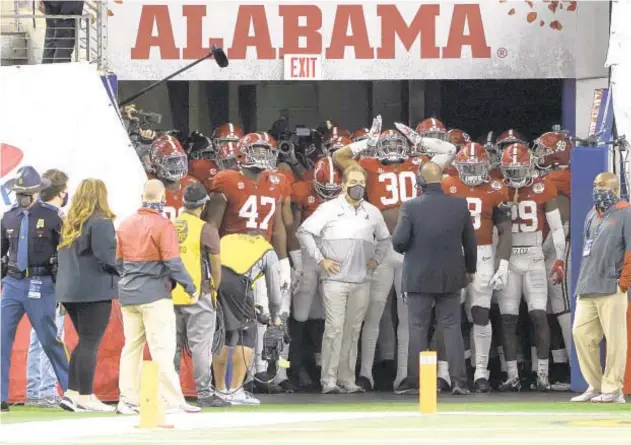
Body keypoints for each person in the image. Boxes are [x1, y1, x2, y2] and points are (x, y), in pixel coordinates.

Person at [297, 165, 391, 394]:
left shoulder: (372, 211)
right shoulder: (328, 209)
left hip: (362, 280)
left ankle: (347, 379)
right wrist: (321, 260)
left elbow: (385, 239)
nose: (357, 186)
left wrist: (377, 260)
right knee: (334, 329)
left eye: (361, 182)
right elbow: (304, 232)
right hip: (335, 280)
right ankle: (328, 380)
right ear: (344, 184)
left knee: (353, 330)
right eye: (353, 182)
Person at [115, 179, 200, 415]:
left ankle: (128, 399)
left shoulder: (125, 223)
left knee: (131, 347)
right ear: (162, 197)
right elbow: (173, 262)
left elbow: (118, 263)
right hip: (154, 295)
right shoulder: (163, 225)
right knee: (162, 348)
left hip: (128, 294)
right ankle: (171, 400)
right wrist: (190, 286)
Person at [391, 161, 476, 395]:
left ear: (421, 180)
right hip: (451, 274)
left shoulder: (410, 206)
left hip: (418, 275)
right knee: (451, 327)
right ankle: (459, 382)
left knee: (417, 327)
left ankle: (415, 381)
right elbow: (470, 242)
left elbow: (398, 241)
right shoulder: (459, 205)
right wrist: (470, 269)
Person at [441, 143, 513, 393]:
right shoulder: (446, 184)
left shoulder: (496, 188)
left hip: (483, 254)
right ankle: (443, 373)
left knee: (480, 313)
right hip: (453, 253)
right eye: (467, 166)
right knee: (448, 314)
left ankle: (481, 372)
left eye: (477, 166)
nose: (472, 172)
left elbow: (505, 231)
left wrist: (502, 264)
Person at [496, 143, 566, 392]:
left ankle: (543, 374)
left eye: (519, 170)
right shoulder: (498, 187)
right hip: (509, 258)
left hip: (535, 256)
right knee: (507, 318)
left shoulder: (542, 186)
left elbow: (556, 228)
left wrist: (560, 259)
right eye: (510, 170)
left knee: (538, 315)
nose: (514, 176)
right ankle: (512, 374)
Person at [1, 166, 69, 412]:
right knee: (1, 339)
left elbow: (65, 253)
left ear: (37, 192)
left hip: (41, 283)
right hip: (12, 283)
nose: (21, 197)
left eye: (25, 193)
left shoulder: (53, 216)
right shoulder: (8, 217)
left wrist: (63, 289)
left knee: (49, 338)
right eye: (18, 192)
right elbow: (1, 252)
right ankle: (1, 396)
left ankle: (70, 389)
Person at [55, 179, 119, 412]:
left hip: (69, 291)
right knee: (90, 343)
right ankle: (86, 395)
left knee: (83, 342)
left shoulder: (69, 222)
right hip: (95, 290)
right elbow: (107, 257)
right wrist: (124, 269)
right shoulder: (101, 222)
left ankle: (72, 393)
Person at [572, 172, 629, 404]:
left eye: (602, 185)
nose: (597, 188)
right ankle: (595, 385)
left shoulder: (626, 213)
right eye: (595, 184)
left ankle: (614, 389)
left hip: (612, 284)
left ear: (614, 189)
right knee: (581, 333)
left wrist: (624, 282)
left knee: (615, 339)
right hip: (588, 284)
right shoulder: (591, 215)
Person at [172, 183, 228, 408]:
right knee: (200, 347)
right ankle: (204, 393)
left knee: (172, 347)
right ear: (204, 204)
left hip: (170, 293)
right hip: (199, 294)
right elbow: (216, 267)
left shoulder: (170, 225)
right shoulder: (207, 229)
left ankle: (170, 392)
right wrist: (214, 289)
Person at [212, 233, 283, 406]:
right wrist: (274, 317)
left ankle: (220, 389)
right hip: (238, 281)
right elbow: (274, 294)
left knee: (223, 334)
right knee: (248, 332)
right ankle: (236, 391)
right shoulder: (267, 250)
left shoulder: (228, 238)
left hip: (213, 279)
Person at [25, 169, 69, 408]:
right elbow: (62, 254)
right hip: (51, 282)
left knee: (36, 337)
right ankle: (46, 390)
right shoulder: (58, 218)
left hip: (30, 280)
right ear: (62, 192)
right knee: (52, 336)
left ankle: (34, 390)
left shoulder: (27, 214)